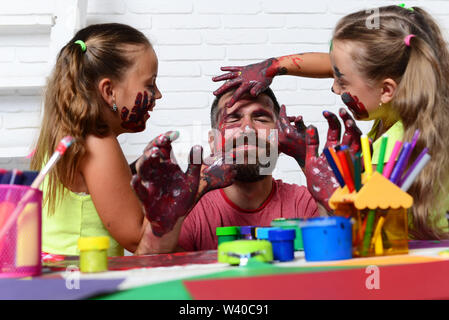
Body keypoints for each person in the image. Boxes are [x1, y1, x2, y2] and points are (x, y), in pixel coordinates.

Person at [212, 5, 449, 239]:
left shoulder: (393, 148)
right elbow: (345, 65)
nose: (334, 87)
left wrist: (311, 163)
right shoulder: (406, 110)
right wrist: (273, 66)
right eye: (333, 74)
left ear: (387, 89)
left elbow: (359, 233)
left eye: (342, 81)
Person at [30, 23, 231, 257]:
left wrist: (139, 169)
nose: (158, 94)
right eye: (149, 84)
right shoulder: (98, 142)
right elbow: (138, 242)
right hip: (82, 282)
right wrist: (197, 184)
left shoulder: (69, 134)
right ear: (109, 91)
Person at [132, 87, 362, 252]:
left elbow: (347, 264)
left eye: (261, 118)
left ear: (280, 138)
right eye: (233, 119)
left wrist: (338, 200)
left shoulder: (308, 203)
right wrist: (161, 228)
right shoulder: (190, 210)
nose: (248, 129)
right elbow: (151, 274)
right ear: (213, 142)